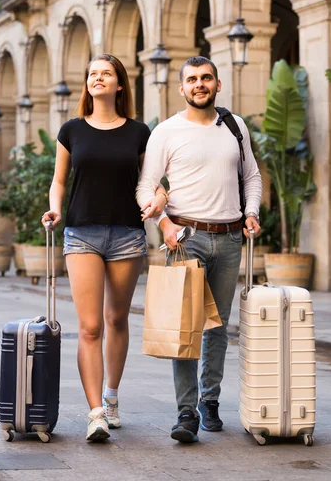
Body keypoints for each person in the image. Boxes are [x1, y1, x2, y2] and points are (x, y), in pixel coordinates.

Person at [136, 55, 262, 444]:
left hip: (229, 239)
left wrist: (252, 212)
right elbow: (145, 187)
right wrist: (164, 224)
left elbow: (251, 176)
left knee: (219, 327)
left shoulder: (234, 126)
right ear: (181, 88)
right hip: (186, 239)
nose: (199, 84)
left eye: (206, 78)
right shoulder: (166, 132)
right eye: (192, 79)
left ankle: (210, 401)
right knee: (186, 327)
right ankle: (186, 411)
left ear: (217, 84)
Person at [42, 54, 167, 442]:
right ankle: (95, 412)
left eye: (106, 73)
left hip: (128, 234)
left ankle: (111, 396)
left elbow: (154, 182)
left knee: (116, 319)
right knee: (90, 326)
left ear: (119, 85)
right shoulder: (72, 130)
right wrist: (55, 208)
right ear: (88, 85)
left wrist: (160, 200)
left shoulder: (139, 132)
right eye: (92, 73)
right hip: (81, 233)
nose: (98, 78)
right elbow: (59, 180)